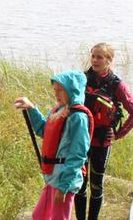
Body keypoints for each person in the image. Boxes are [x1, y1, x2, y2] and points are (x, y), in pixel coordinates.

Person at [14, 71, 93, 220]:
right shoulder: (60, 109)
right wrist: (31, 108)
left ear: (72, 89)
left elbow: (79, 155)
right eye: (55, 90)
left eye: (60, 90)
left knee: (59, 217)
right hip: (53, 178)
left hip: (65, 181)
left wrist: (63, 188)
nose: (56, 94)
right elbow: (45, 130)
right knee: (39, 216)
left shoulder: (78, 118)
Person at [76, 42, 133, 220]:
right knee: (79, 185)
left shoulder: (116, 85)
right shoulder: (82, 79)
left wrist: (118, 134)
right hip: (81, 141)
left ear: (109, 60)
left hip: (101, 143)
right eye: (93, 56)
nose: (95, 60)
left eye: (100, 57)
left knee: (96, 186)